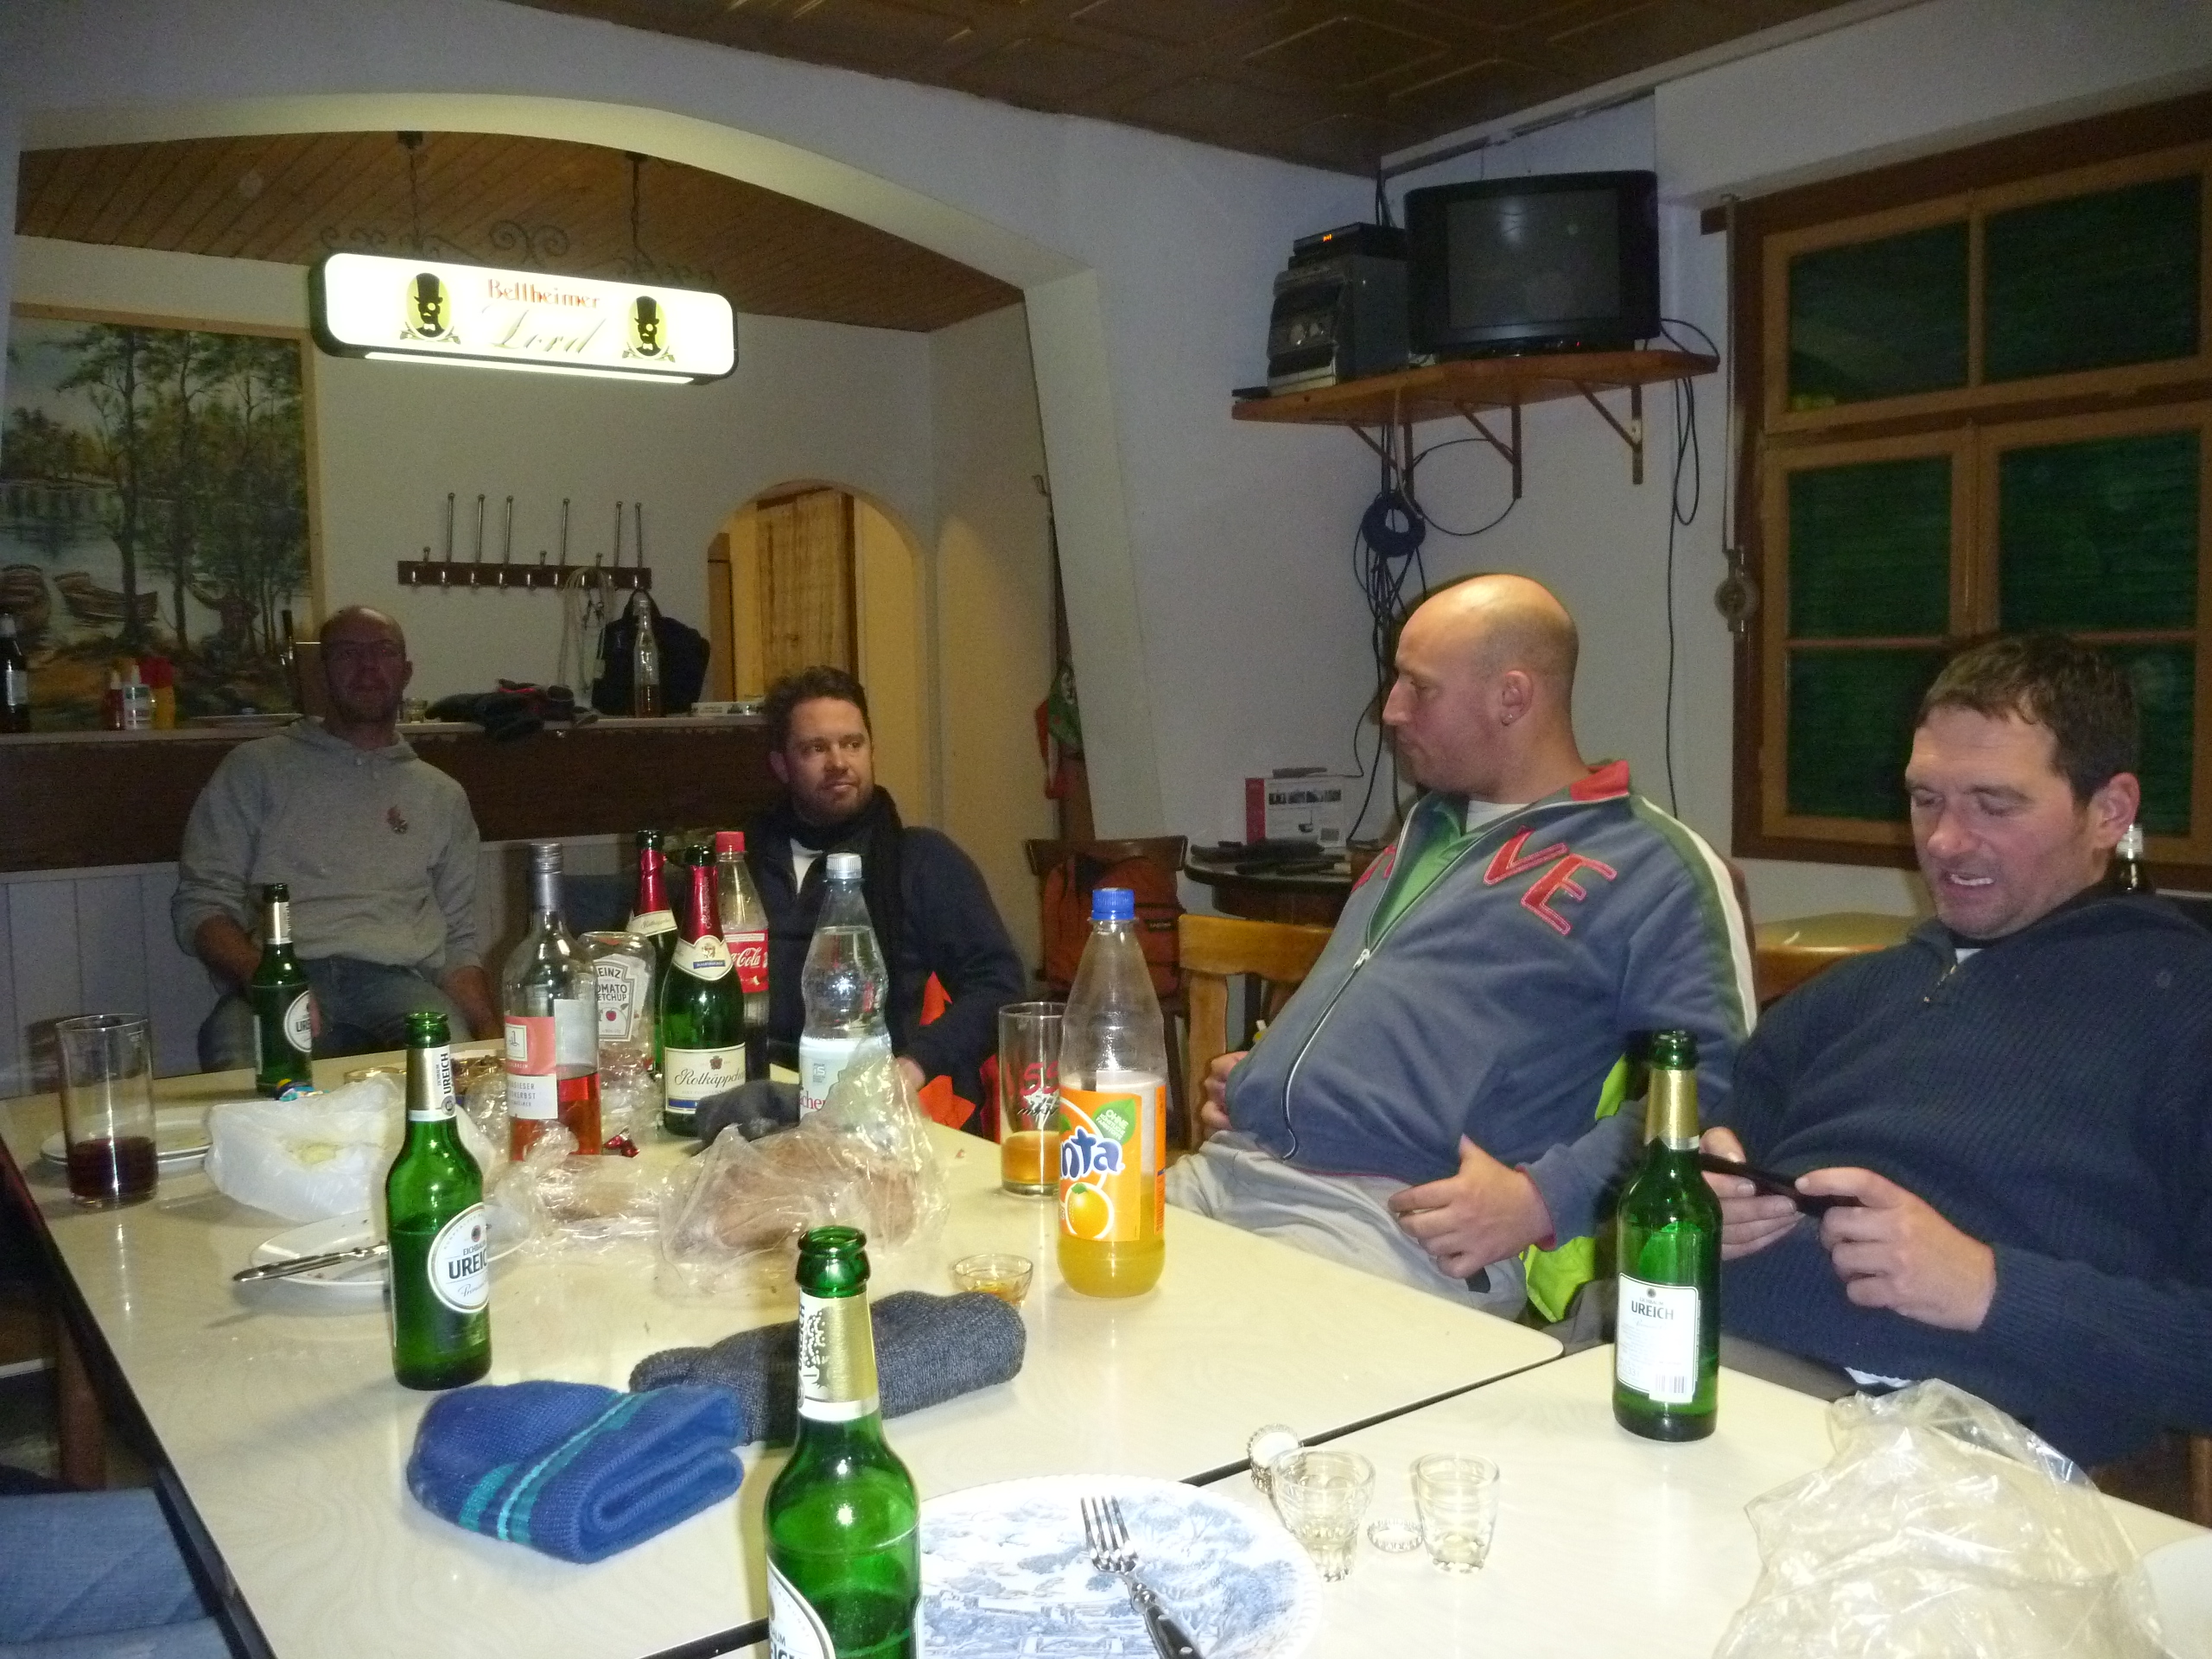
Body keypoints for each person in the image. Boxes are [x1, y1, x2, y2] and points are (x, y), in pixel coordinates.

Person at [1169, 575, 1754, 1320]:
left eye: (1419, 687)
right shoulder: (1425, 826)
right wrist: (1281, 1078)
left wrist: (1544, 1199)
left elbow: (1725, 1086)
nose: (1390, 710)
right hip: (1230, 1169)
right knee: (1047, 1291)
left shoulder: (1653, 866)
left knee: (1194, 1363)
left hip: (1392, 1220)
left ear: (1512, 696)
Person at [1707, 632, 2212, 1468]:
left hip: (1949, 1447)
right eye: (1926, 799)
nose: (1944, 840)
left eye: (1994, 804)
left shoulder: (2186, 1011)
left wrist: (1989, 1286)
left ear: (2109, 812)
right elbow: (1695, 1169)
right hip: (1699, 1356)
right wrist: (1697, 1208)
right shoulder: (1849, 998)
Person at [173, 607, 498, 1069]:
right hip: (281, 977)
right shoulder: (254, 769)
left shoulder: (441, 795)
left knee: (444, 1061)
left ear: (406, 672)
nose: (368, 668)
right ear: (321, 671)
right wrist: (261, 976)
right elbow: (202, 904)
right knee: (238, 1065)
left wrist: (488, 1032)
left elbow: (457, 939)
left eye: (383, 652)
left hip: (400, 983)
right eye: (347, 654)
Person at [744, 667, 1025, 1127]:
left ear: (871, 750)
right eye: (816, 748)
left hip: (881, 1107)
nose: (838, 762)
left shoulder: (922, 860)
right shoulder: (739, 866)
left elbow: (999, 986)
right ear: (781, 765)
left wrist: (914, 1066)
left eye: (852, 744)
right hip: (754, 1098)